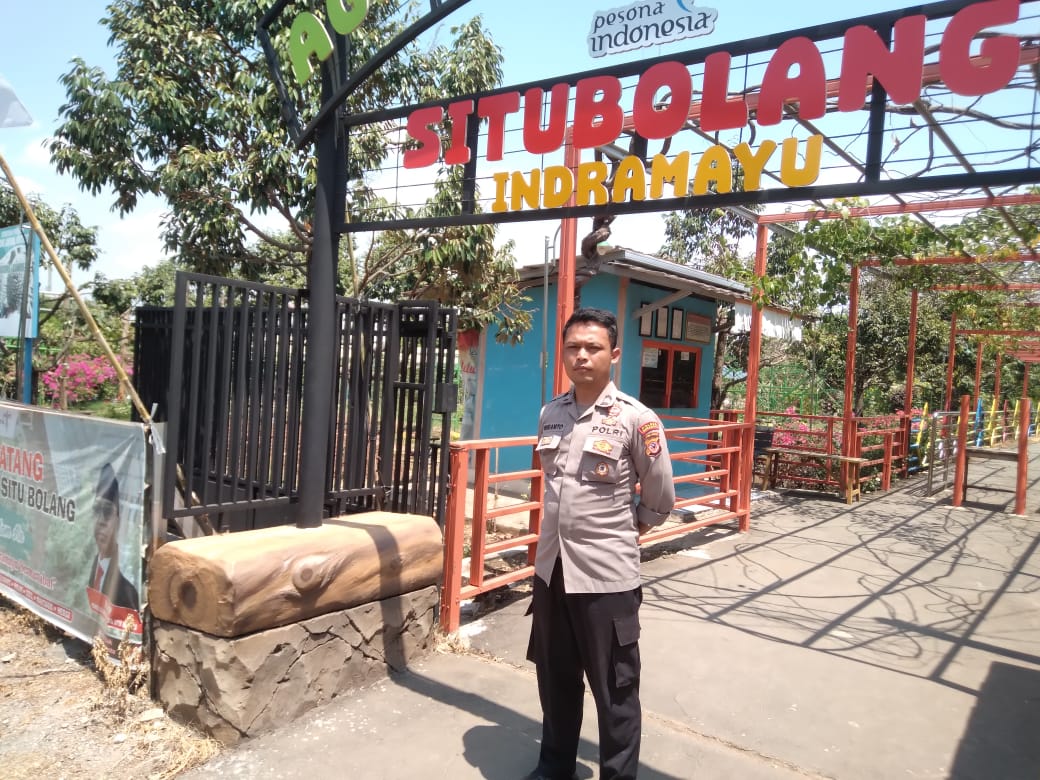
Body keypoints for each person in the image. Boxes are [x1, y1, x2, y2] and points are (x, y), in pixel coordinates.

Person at [526, 307, 675, 780]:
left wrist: (628, 530)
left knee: (615, 691)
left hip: (607, 578)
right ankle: (554, 768)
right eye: (573, 347)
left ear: (614, 354)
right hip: (552, 571)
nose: (582, 356)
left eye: (593, 347)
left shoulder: (637, 419)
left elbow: (660, 495)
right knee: (555, 681)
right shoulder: (551, 413)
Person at [88, 462, 139, 612]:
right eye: (97, 511)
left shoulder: (127, 592)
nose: (100, 521)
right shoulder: (88, 570)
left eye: (107, 512)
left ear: (118, 521)